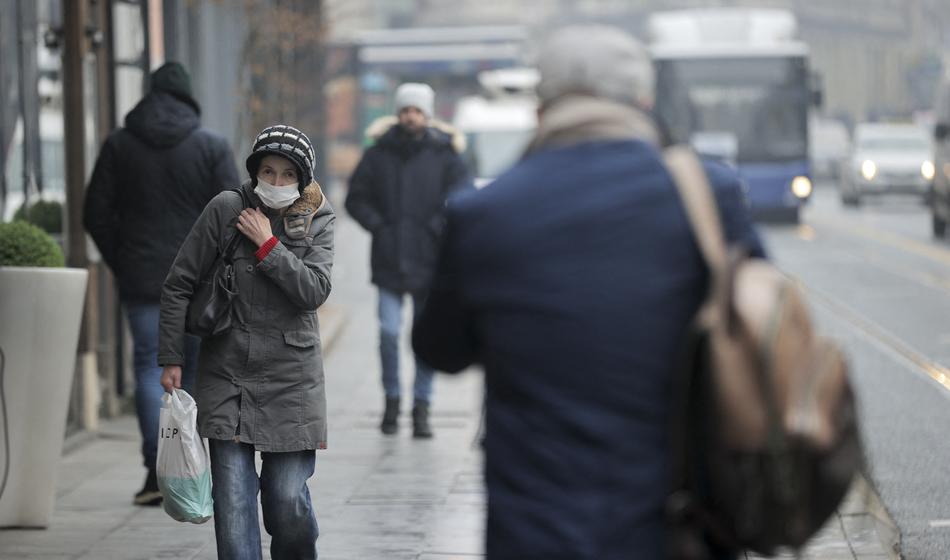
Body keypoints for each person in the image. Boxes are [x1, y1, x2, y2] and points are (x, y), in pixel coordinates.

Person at [412, 26, 765, 559]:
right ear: (643, 102)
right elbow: (761, 326)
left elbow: (439, 349)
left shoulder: (485, 213)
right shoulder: (707, 196)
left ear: (542, 107)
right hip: (679, 525)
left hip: (534, 532)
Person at [157, 124, 333, 560]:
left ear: (302, 178)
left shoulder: (316, 218)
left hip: (292, 381)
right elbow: (178, 283)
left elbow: (314, 291)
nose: (275, 182)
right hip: (227, 374)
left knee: (287, 501)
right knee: (234, 511)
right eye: (267, 171)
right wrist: (171, 357)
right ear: (254, 170)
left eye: (287, 173)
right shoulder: (226, 208)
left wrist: (268, 244)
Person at [83, 61, 239, 506]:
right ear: (188, 96)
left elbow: (95, 212)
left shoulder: (119, 145)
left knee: (151, 371)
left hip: (143, 278)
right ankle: (191, 471)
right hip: (199, 283)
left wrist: (124, 258)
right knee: (189, 373)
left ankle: (158, 473)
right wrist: (215, 266)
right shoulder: (210, 146)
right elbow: (234, 215)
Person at [345, 82, 469, 438]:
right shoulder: (378, 154)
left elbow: (462, 198)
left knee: (425, 335)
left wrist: (435, 227)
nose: (410, 116)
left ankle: (422, 406)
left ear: (427, 115)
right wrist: (379, 226)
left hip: (429, 261)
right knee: (388, 332)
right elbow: (356, 198)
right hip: (388, 259)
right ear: (397, 113)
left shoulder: (446, 155)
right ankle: (392, 400)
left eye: (416, 110)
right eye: (405, 110)